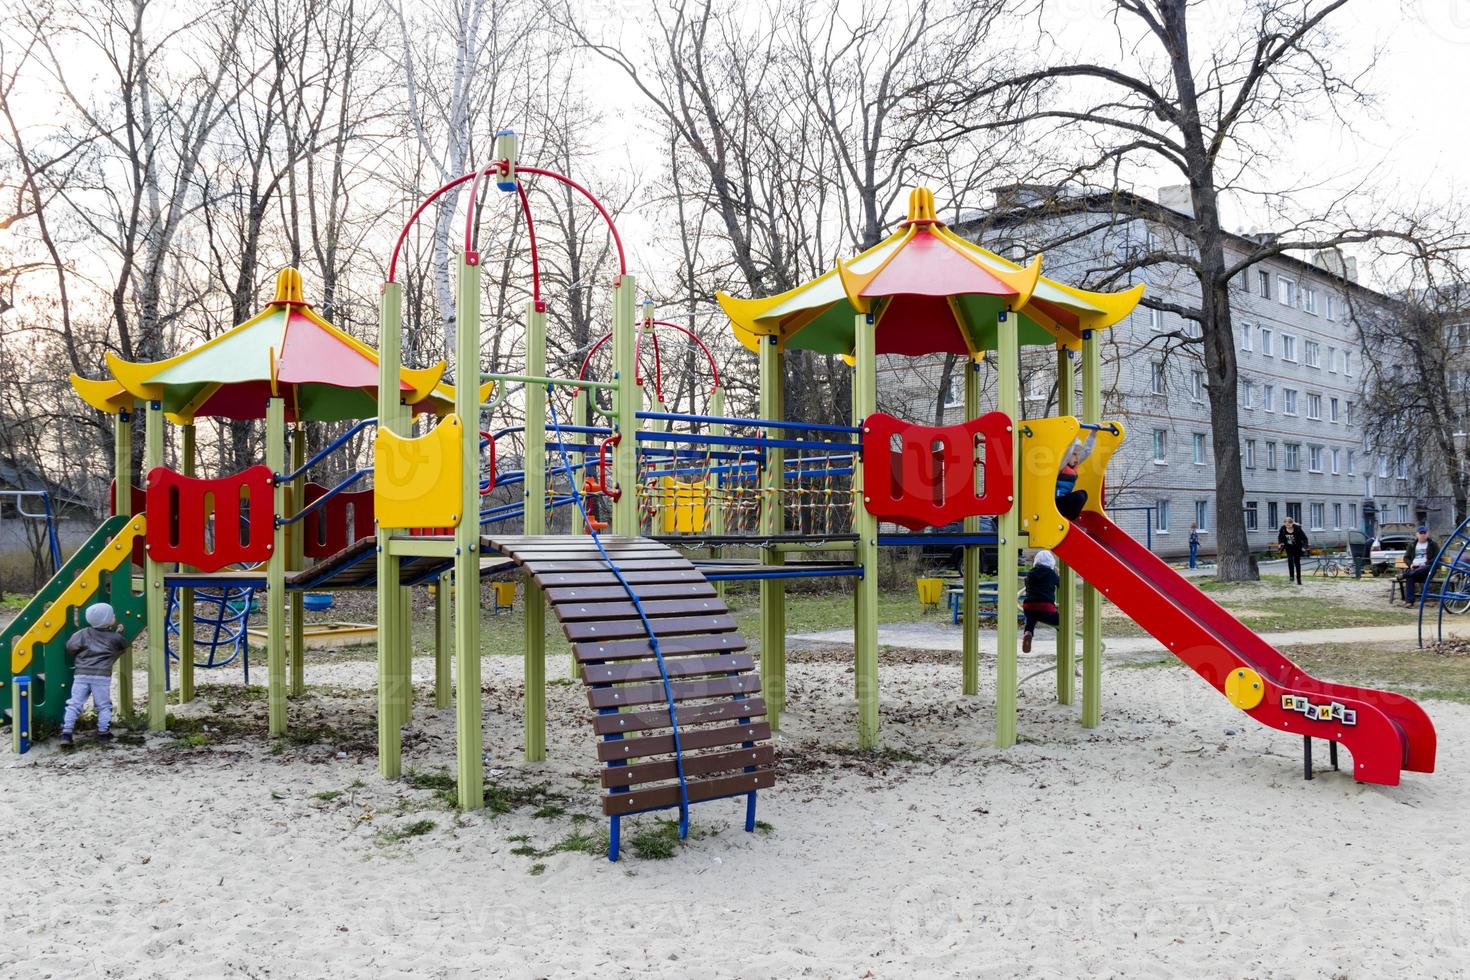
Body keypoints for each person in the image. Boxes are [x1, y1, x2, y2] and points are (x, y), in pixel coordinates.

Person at [60, 603, 131, 747]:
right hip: (101, 676)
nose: (114, 617)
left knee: (74, 704)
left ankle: (66, 733)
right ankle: (103, 733)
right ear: (108, 620)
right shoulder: (114, 638)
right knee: (103, 705)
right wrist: (119, 633)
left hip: (81, 675)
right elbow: (123, 645)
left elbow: (70, 647)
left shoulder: (82, 633)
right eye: (112, 615)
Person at [1021, 550, 1061, 653]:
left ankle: (1028, 633)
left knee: (1030, 620)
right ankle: (1065, 639)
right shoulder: (1051, 574)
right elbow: (1060, 583)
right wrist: (1057, 574)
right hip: (1045, 607)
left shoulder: (1030, 573)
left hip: (1028, 606)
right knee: (1062, 621)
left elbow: (1028, 586)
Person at [1055, 433, 1096, 521]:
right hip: (1056, 503)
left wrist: (1093, 433)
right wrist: (1073, 434)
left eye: (1078, 455)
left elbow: (1086, 451)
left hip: (1064, 502)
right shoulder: (1061, 466)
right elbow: (1068, 451)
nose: (1077, 458)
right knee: (1079, 496)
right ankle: (1069, 519)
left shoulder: (1074, 465)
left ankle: (1070, 519)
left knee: (1082, 494)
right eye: (1074, 454)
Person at [1399, 526, 1439, 605]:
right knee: (1410, 577)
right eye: (1421, 533)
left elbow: (1437, 558)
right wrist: (1410, 564)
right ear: (1417, 534)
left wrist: (1425, 563)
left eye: (1424, 533)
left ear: (1427, 534)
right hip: (1415, 569)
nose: (1423, 535)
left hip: (1427, 570)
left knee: (1424, 568)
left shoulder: (1433, 544)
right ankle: (1409, 602)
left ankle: (1404, 575)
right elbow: (1406, 558)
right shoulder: (1412, 545)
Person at [1278, 516, 1309, 585]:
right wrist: (1280, 544)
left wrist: (1304, 547)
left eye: (1289, 525)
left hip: (1297, 547)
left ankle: (1298, 579)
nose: (1287, 526)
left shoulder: (1297, 529)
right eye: (1286, 525)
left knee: (1297, 562)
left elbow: (1305, 538)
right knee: (1290, 560)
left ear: (1292, 524)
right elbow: (1280, 537)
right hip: (1289, 547)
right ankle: (1291, 577)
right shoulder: (1283, 529)